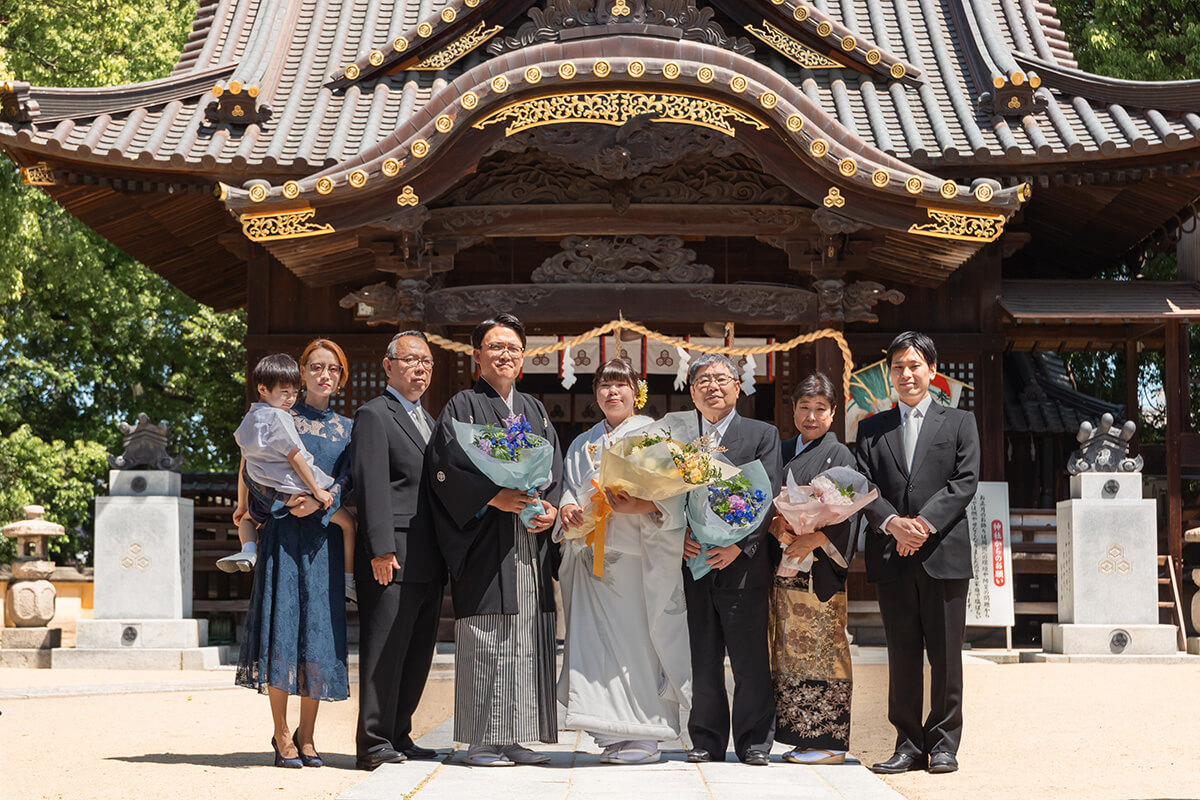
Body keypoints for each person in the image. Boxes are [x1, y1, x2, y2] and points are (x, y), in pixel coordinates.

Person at [426, 313, 563, 767]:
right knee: (488, 635)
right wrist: (494, 496)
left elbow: (553, 469)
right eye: (496, 347)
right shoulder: (461, 407)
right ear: (477, 356)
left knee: (527, 635)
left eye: (513, 349)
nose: (505, 355)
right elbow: (446, 469)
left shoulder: (536, 410)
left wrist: (549, 507)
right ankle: (482, 739)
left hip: (528, 543)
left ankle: (516, 735)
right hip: (485, 541)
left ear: (522, 359)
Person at [854, 331, 980, 775]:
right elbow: (863, 486)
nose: (906, 374)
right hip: (891, 554)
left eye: (914, 366)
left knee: (946, 654)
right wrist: (893, 524)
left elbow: (964, 482)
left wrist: (922, 525)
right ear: (889, 374)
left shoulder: (960, 422)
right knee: (902, 653)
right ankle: (907, 743)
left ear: (931, 369)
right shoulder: (871, 429)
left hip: (942, 552)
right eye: (898, 367)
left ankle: (944, 743)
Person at [557, 359, 691, 765]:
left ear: (637, 391)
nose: (612, 393)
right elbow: (568, 486)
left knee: (638, 646)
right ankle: (612, 732)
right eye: (604, 385)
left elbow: (674, 496)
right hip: (591, 554)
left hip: (638, 556)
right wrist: (566, 507)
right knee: (595, 651)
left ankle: (646, 734)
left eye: (620, 385)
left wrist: (642, 505)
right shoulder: (584, 441)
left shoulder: (654, 436)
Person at [235, 338, 354, 769]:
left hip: (323, 539)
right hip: (283, 536)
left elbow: (347, 480)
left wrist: (325, 500)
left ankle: (308, 735)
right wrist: (244, 505)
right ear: (301, 373)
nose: (325, 375)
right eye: (317, 367)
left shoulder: (348, 428)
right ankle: (281, 732)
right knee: (283, 631)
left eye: (334, 369)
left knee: (318, 635)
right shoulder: (278, 414)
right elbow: (248, 463)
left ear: (341, 378)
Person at [659, 353, 781, 766]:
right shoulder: (677, 436)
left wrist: (738, 546)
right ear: (691, 391)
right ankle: (707, 739)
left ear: (738, 386)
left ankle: (754, 742)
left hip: (742, 564)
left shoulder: (762, 433)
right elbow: (665, 497)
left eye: (721, 378)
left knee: (748, 658)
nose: (713, 386)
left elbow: (766, 498)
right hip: (696, 563)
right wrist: (681, 537)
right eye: (703, 381)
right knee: (704, 657)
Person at [350, 331, 445, 770]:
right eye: (410, 360)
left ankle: (400, 734)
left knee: (417, 650)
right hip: (391, 555)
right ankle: (372, 741)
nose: (420, 368)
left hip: (429, 556)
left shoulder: (432, 420)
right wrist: (381, 549)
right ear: (388, 366)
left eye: (426, 361)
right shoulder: (374, 415)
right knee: (385, 647)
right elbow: (371, 486)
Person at [767, 372, 858, 764]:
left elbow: (850, 513)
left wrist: (817, 538)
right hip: (785, 564)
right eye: (804, 407)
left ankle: (830, 743)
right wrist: (776, 524)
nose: (811, 415)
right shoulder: (781, 448)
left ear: (833, 413)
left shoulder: (841, 455)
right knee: (788, 653)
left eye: (820, 408)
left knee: (824, 648)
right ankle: (802, 737)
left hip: (819, 570)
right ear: (793, 409)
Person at [221, 355, 356, 605]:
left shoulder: (251, 418)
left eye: (333, 368)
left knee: (247, 520)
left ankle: (248, 550)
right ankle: (349, 580)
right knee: (349, 524)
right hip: (301, 491)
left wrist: (241, 505)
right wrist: (317, 492)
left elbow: (245, 463)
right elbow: (295, 457)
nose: (290, 398)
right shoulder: (283, 416)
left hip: (268, 496)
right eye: (317, 367)